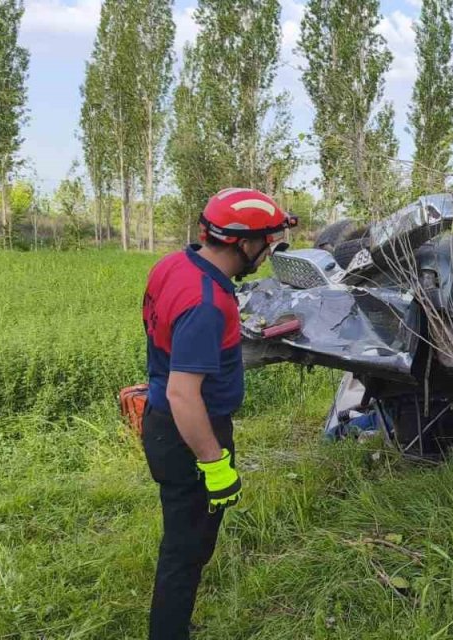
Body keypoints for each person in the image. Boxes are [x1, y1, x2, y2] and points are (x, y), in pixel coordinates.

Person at [140, 188, 296, 640]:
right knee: (184, 550)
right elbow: (184, 395)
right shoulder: (207, 303)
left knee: (191, 540)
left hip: (168, 425)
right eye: (267, 241)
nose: (268, 251)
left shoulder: (175, 264)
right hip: (188, 431)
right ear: (244, 244)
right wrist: (215, 464)